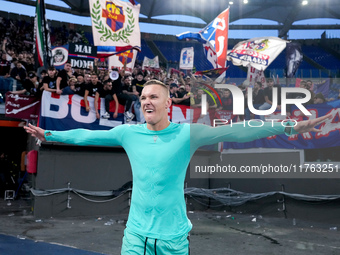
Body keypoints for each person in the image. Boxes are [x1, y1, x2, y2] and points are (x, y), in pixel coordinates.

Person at [24, 79, 332, 255]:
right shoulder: (128, 133)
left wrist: (293, 126)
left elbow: (244, 129)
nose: (146, 101)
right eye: (143, 97)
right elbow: (87, 136)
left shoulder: (188, 133)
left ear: (168, 103)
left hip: (172, 241)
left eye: (153, 97)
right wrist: (49, 133)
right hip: (135, 239)